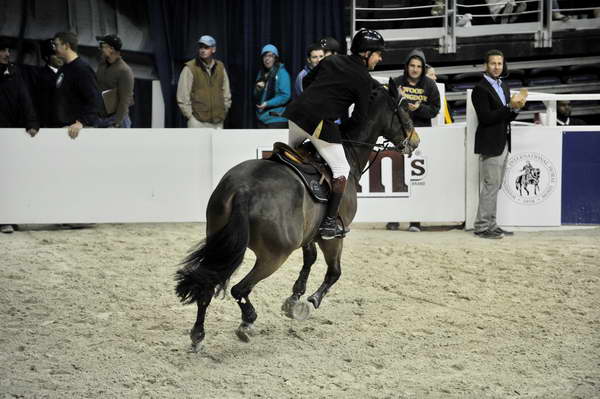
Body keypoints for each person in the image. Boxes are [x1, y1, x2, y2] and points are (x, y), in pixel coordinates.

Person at [283, 29, 385, 239]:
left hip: (295, 115)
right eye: (378, 53)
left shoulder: (332, 61)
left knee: (292, 158)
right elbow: (359, 118)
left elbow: (307, 82)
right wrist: (340, 127)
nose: (380, 57)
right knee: (342, 169)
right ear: (366, 53)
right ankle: (329, 223)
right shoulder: (363, 78)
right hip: (318, 122)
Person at [473, 49, 527, 239]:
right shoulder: (480, 89)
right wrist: (509, 107)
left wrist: (516, 108)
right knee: (490, 184)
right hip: (490, 142)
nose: (497, 67)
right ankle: (481, 226)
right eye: (493, 63)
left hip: (503, 140)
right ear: (486, 65)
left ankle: (491, 224)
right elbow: (486, 118)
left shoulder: (503, 86)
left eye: (499, 63)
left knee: (495, 185)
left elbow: (507, 117)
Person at [387, 49, 440, 233]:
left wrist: (418, 109)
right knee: (397, 177)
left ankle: (415, 220)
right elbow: (388, 106)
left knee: (417, 179)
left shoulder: (430, 86)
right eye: (412, 65)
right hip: (399, 134)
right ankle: (393, 218)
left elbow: (435, 109)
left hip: (422, 135)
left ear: (423, 68)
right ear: (406, 66)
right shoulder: (397, 83)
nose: (415, 69)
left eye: (419, 66)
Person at [0, 38, 39, 234]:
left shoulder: (15, 72)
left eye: (7, 49)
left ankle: (10, 217)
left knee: (11, 176)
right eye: (3, 50)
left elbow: (25, 98)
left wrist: (31, 122)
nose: (7, 53)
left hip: (11, 132)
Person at [52, 31, 102, 139]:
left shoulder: (82, 69)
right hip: (63, 130)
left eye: (56, 45)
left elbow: (95, 101)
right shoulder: (62, 70)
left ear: (66, 46)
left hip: (77, 133)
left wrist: (82, 123)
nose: (54, 48)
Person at [177, 35, 231, 129]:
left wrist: (224, 110)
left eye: (206, 47)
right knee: (196, 144)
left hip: (217, 122)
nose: (202, 50)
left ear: (213, 49)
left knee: (218, 144)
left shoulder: (220, 67)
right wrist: (190, 116)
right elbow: (182, 95)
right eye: (201, 47)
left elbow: (226, 91)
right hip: (197, 121)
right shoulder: (190, 68)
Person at [96, 34, 134, 128]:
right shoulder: (102, 64)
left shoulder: (124, 71)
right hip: (102, 118)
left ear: (111, 49)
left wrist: (117, 123)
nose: (100, 48)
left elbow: (125, 100)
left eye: (102, 46)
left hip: (116, 120)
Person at [254, 44, 291, 129]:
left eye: (270, 56)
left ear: (276, 58)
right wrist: (258, 89)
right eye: (264, 56)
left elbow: (285, 95)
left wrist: (268, 103)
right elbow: (256, 95)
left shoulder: (282, 73)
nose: (267, 59)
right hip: (262, 118)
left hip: (277, 119)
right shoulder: (262, 74)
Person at [35, 38, 63, 128]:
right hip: (51, 126)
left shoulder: (68, 73)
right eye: (55, 54)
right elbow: (43, 106)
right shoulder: (41, 77)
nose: (59, 56)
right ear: (47, 57)